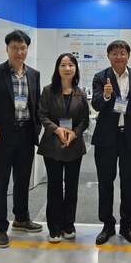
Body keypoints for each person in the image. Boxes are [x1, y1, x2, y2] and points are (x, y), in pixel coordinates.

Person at [0, 30, 43, 249]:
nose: (19, 52)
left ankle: (21, 219)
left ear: (27, 50)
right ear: (7, 49)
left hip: (26, 134)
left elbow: (36, 105)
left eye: (23, 48)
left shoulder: (33, 75)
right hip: (3, 135)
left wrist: (37, 127)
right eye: (15, 47)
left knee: (23, 180)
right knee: (1, 183)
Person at [91, 40, 131, 245]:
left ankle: (127, 226)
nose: (118, 56)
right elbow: (96, 104)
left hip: (129, 137)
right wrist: (106, 96)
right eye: (114, 53)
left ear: (128, 56)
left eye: (122, 53)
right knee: (105, 183)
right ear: (108, 56)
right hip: (106, 138)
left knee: (128, 183)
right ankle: (107, 224)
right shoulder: (100, 77)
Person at [38, 53, 89, 243]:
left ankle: (69, 224)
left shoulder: (80, 93)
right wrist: (56, 129)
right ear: (57, 68)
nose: (67, 69)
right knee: (54, 187)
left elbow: (84, 120)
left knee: (72, 187)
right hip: (52, 145)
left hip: (74, 146)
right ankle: (54, 227)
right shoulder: (48, 91)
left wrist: (75, 133)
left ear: (75, 69)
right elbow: (42, 115)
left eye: (71, 65)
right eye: (63, 65)